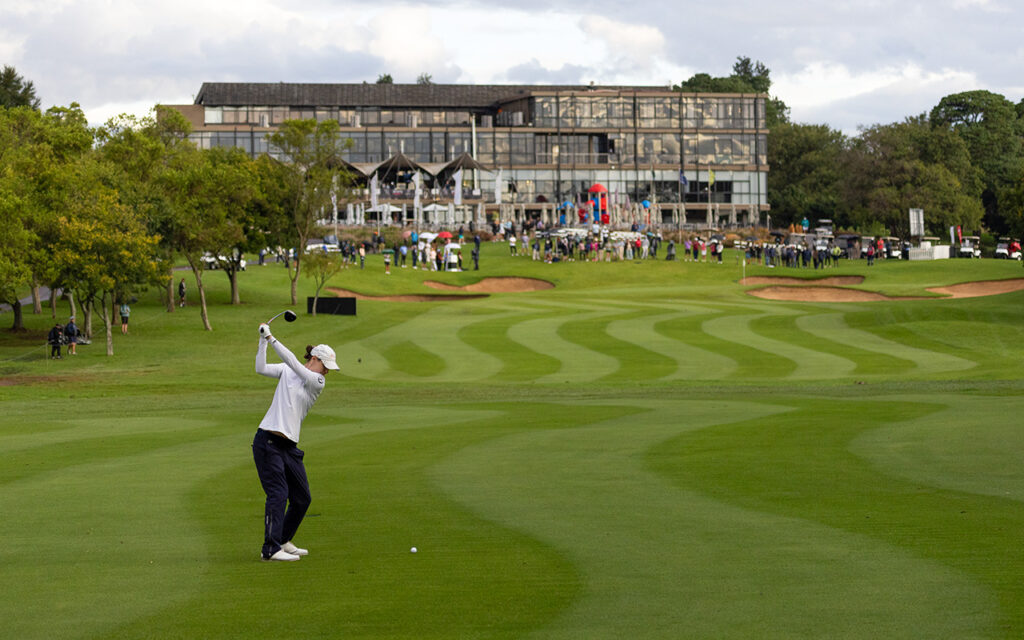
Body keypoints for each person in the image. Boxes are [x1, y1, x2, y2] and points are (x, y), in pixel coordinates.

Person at [253, 324, 339, 562]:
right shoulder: (288, 371)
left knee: (302, 498)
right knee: (278, 494)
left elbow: (292, 362)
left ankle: (282, 540)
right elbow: (260, 368)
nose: (327, 371)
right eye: (325, 365)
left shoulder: (317, 381)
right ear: (315, 359)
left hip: (289, 447)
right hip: (268, 441)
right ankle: (270, 549)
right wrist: (262, 341)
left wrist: (271, 337)